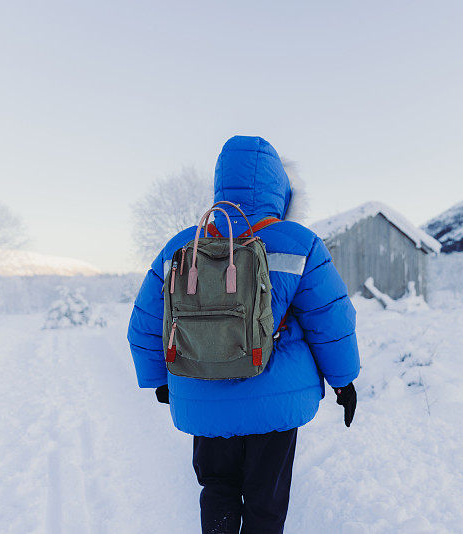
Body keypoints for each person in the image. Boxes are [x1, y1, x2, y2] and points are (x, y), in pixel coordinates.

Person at [127, 135, 360, 533]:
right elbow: (331, 320)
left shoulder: (182, 246)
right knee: (265, 501)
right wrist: (343, 381)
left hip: (202, 392)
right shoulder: (300, 244)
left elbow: (146, 322)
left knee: (217, 490)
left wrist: (158, 379)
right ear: (281, 189)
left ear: (220, 184)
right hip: (275, 403)